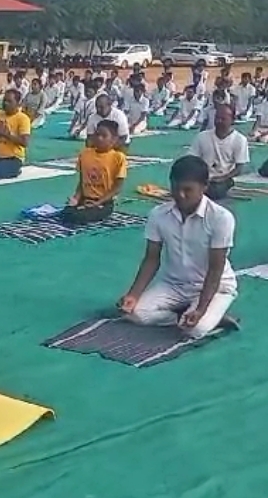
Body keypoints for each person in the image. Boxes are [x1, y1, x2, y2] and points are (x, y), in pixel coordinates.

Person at [119, 155, 237, 339]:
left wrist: (200, 308)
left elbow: (215, 269)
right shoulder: (158, 215)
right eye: (176, 188)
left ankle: (205, 314)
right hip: (175, 285)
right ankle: (188, 315)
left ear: (204, 187)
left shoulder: (221, 218)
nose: (180, 195)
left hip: (217, 286)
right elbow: (151, 259)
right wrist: (133, 295)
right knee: (134, 313)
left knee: (195, 330)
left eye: (188, 190)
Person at [62, 120, 127, 225]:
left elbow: (116, 188)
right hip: (85, 199)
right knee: (66, 214)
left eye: (104, 136)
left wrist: (98, 203)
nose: (99, 138)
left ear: (114, 139)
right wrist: (75, 199)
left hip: (103, 202)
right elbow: (82, 181)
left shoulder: (118, 157)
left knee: (80, 217)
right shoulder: (85, 154)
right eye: (97, 134)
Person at [187, 103, 250, 201]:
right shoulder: (202, 136)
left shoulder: (240, 140)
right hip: (203, 176)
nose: (218, 121)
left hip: (223, 178)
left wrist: (222, 178)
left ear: (232, 120)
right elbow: (191, 159)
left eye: (223, 119)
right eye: (217, 118)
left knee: (214, 191)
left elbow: (239, 168)